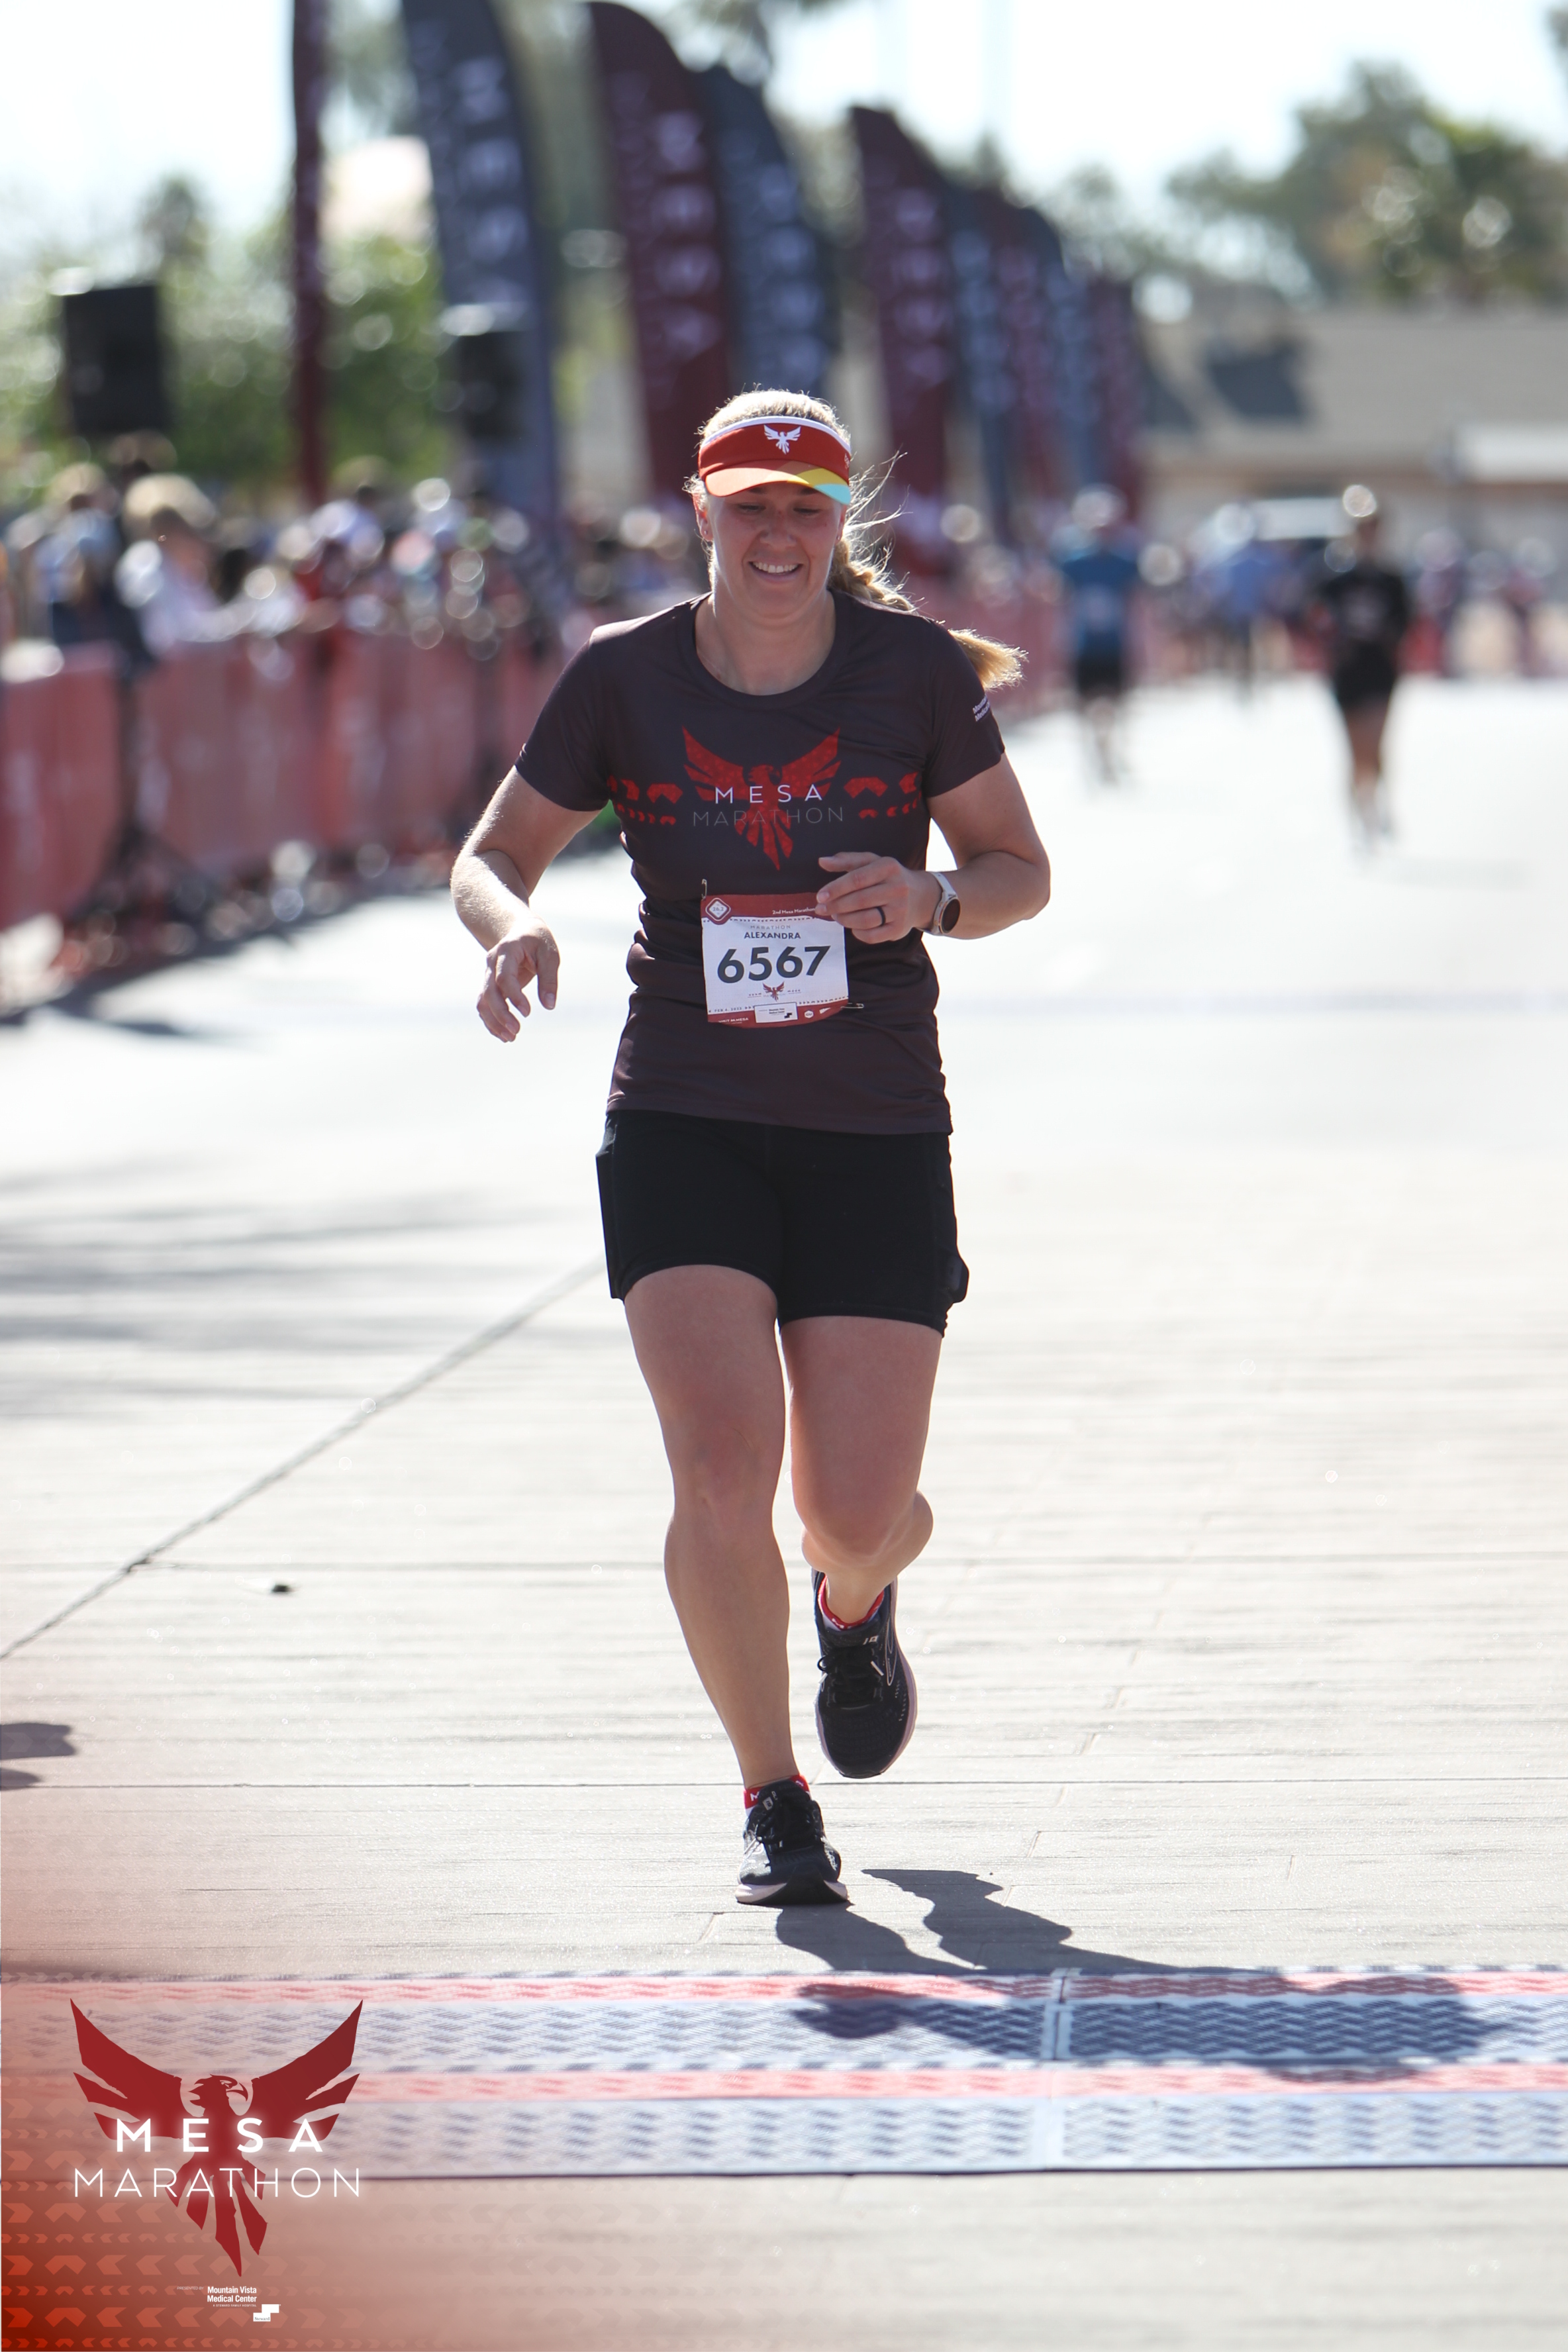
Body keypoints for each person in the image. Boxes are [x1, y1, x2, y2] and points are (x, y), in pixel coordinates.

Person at [450, 389, 1052, 1907]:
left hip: (873, 1125)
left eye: (803, 506)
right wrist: (511, 926)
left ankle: (855, 1596)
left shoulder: (912, 672)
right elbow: (491, 853)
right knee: (719, 1467)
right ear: (700, 510)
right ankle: (772, 1795)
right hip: (684, 1114)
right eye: (749, 503)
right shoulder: (623, 674)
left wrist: (931, 900)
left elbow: (1016, 868)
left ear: (836, 521)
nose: (776, 532)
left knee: (851, 1510)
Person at [1307, 487, 1410, 846]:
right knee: (1355, 749)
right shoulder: (1334, 578)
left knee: (1376, 743)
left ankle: (1378, 800)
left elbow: (1404, 625)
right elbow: (1315, 618)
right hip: (1348, 672)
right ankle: (1361, 811)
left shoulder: (1391, 579)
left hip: (1380, 670)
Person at [1052, 486, 1141, 783]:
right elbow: (1059, 599)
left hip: (1114, 643)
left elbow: (1136, 603)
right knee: (1085, 703)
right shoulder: (1073, 562)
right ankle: (1092, 753)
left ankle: (1113, 749)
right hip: (1083, 643)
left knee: (1116, 702)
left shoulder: (1124, 562)